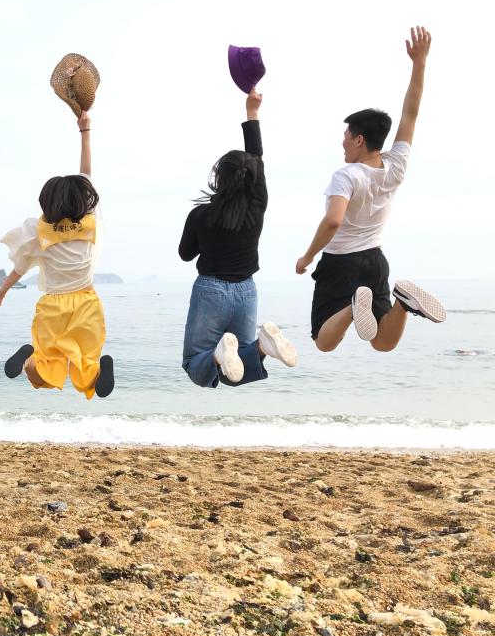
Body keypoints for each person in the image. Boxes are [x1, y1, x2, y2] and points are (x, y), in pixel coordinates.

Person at [296, 26, 445, 350]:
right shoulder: (395, 166)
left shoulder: (346, 176)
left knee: (323, 341)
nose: (343, 143)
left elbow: (334, 221)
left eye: (346, 137)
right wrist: (419, 64)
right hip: (375, 260)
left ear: (359, 140)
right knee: (383, 342)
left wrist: (308, 255)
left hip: (340, 262)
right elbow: (411, 113)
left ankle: (353, 307)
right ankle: (403, 302)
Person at [0, 110, 114, 399]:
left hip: (52, 306)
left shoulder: (39, 230)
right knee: (86, 361)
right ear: (85, 199)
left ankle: (29, 361)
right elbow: (86, 174)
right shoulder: (90, 222)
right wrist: (85, 131)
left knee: (44, 370)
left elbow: (21, 267)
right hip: (86, 303)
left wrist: (1, 293)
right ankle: (98, 371)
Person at [177, 88, 297, 387]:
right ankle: (263, 347)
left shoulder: (201, 215)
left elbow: (185, 254)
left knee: (196, 365)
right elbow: (256, 157)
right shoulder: (257, 206)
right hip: (246, 291)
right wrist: (252, 113)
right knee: (236, 372)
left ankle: (220, 354)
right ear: (251, 179)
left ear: (219, 178)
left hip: (211, 291)